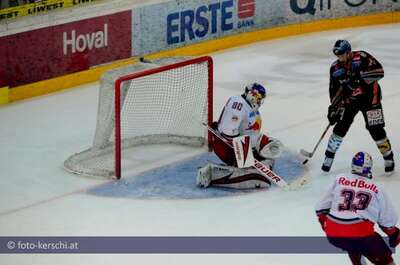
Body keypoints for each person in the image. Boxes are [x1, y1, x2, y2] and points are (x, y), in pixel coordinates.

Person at [322, 39, 395, 174]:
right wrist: (333, 108)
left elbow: (379, 71)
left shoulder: (362, 57)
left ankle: (388, 157)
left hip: (371, 99)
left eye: (342, 54)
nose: (340, 57)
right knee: (341, 127)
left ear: (349, 52)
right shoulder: (335, 68)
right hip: (351, 100)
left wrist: (360, 78)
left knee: (376, 129)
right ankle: (329, 157)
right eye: (337, 55)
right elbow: (335, 89)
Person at [315, 151, 400, 265]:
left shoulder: (340, 179)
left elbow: (320, 208)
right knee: (385, 260)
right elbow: (388, 220)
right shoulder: (375, 188)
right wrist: (393, 234)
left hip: (334, 234)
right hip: (361, 234)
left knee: (351, 242)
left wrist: (328, 225)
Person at [196, 82, 283, 189]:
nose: (260, 101)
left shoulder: (250, 106)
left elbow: (250, 130)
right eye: (258, 98)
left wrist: (254, 149)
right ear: (252, 95)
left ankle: (248, 166)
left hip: (244, 144)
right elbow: (227, 131)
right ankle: (212, 173)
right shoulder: (238, 104)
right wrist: (244, 153)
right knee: (258, 177)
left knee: (273, 149)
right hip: (227, 147)